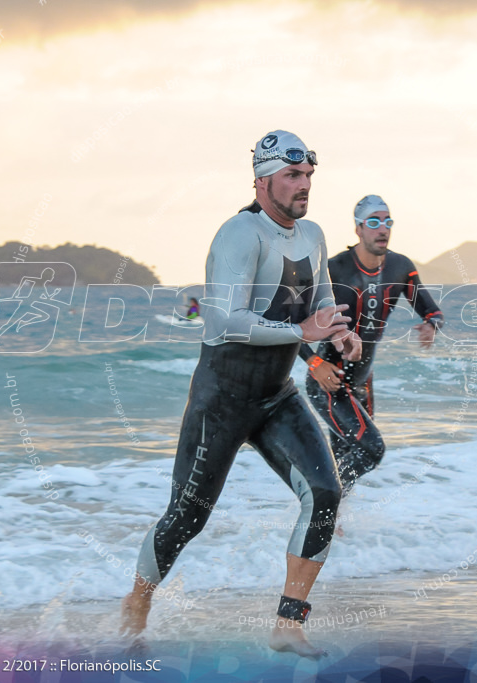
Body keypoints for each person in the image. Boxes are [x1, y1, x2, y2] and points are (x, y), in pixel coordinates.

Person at [120, 130, 361, 658]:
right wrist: (305, 334)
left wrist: (339, 330)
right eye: (292, 176)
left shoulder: (313, 234)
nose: (303, 186)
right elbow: (226, 321)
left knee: (325, 494)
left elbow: (319, 302)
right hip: (222, 398)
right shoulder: (239, 235)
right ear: (262, 180)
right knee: (188, 516)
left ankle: (288, 624)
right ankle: (136, 604)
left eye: (307, 177)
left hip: (276, 395)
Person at [299, 195, 443, 493]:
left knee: (347, 454)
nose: (383, 229)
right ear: (358, 229)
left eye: (387, 222)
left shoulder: (400, 267)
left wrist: (431, 325)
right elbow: (291, 325)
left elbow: (433, 311)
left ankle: (331, 521)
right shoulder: (333, 270)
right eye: (374, 222)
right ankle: (322, 502)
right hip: (329, 380)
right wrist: (314, 362)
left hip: (363, 384)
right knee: (370, 450)